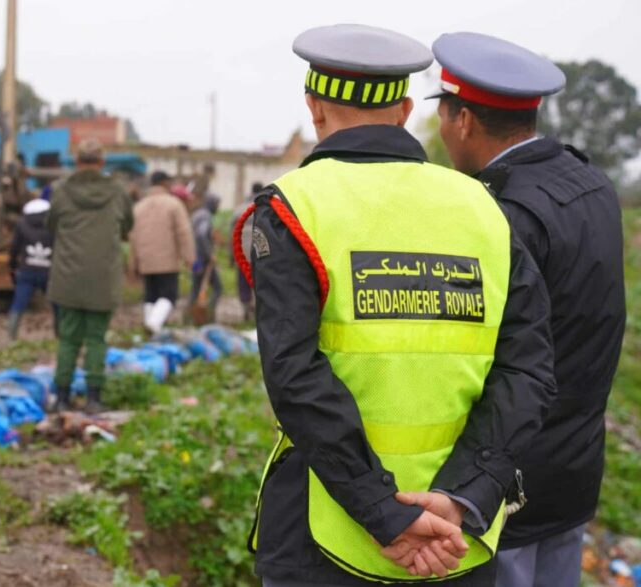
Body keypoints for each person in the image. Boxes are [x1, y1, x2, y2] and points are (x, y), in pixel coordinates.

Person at [235, 24, 556, 586]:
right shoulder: (484, 208)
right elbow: (528, 369)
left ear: (314, 107)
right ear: (405, 110)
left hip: (324, 535)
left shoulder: (294, 208)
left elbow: (293, 375)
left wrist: (386, 513)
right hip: (455, 540)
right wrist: (464, 497)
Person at [429, 32, 626, 587]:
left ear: (464, 121)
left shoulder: (499, 212)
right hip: (573, 469)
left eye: (442, 115)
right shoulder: (591, 184)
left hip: (502, 484)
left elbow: (478, 357)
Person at [47, 139, 133, 413]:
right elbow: (127, 226)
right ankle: (94, 399)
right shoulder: (117, 191)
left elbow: (50, 225)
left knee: (68, 338)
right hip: (103, 277)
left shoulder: (60, 190)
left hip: (68, 276)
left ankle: (62, 398)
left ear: (76, 161)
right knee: (97, 338)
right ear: (102, 162)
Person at [129, 170, 196, 333]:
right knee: (168, 295)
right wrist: (189, 256)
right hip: (167, 259)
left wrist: (134, 262)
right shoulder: (174, 204)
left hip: (145, 259)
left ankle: (150, 327)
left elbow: (132, 236)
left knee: (150, 295)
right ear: (165, 183)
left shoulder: (138, 207)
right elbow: (183, 232)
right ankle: (153, 324)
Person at [6, 197, 56, 340]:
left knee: (18, 303)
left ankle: (11, 335)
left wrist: (12, 266)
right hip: (48, 272)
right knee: (57, 304)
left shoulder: (22, 225)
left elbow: (14, 248)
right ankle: (60, 335)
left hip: (27, 271)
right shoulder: (53, 225)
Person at [230, 182, 262, 322]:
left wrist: (231, 255)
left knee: (243, 279)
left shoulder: (239, 210)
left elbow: (232, 234)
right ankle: (258, 308)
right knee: (260, 280)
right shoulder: (266, 208)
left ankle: (245, 307)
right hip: (261, 252)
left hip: (242, 250)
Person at [190, 193, 223, 321]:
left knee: (195, 287)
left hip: (195, 258)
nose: (217, 208)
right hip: (202, 259)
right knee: (217, 287)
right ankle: (207, 314)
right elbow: (201, 235)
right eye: (217, 205)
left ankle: (191, 316)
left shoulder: (197, 214)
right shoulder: (205, 216)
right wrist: (209, 254)